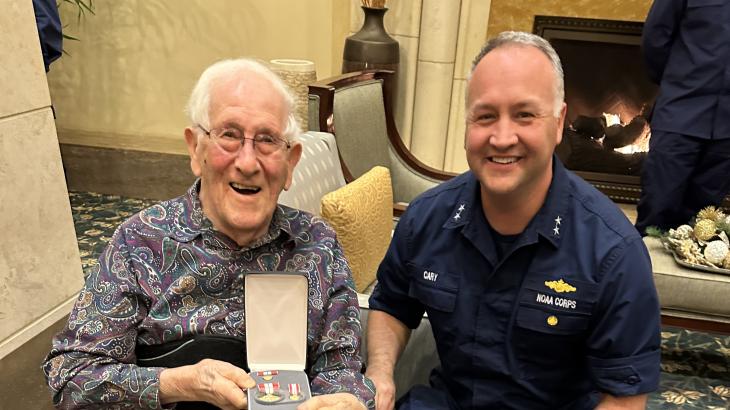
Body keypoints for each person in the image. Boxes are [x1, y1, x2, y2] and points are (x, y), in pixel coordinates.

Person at [42, 58, 374, 410]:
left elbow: (344, 368)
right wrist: (175, 383)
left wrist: (348, 402)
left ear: (290, 163)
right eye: (229, 135)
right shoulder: (141, 243)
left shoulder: (318, 244)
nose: (247, 163)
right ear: (195, 148)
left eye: (267, 140)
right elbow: (71, 375)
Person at [365, 31, 661, 409]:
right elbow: (392, 305)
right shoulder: (425, 218)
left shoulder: (614, 253)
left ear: (559, 123)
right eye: (485, 116)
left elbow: (624, 399)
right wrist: (380, 374)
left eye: (524, 115)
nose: (502, 138)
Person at [635, 0, 730, 234]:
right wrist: (678, 82)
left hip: (727, 130)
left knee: (703, 225)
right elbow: (655, 39)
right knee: (656, 211)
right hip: (681, 113)